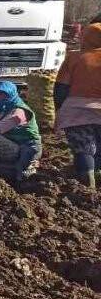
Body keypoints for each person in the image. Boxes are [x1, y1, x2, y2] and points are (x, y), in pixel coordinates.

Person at [55, 22, 101, 189]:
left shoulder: (74, 58)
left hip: (77, 111)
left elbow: (61, 87)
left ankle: (88, 185)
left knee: (84, 148)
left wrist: (59, 110)